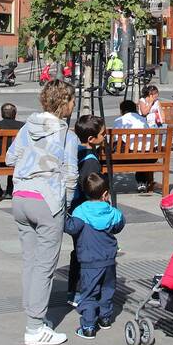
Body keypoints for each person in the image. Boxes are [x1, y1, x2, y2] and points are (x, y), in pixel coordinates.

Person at [6, 80, 79, 345]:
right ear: (64, 103)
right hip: (48, 201)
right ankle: (35, 328)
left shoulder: (27, 128)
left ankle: (33, 316)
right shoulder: (67, 136)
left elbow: (10, 158)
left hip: (21, 197)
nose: (74, 105)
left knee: (30, 261)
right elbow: (71, 175)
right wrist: (66, 205)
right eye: (72, 100)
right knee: (44, 267)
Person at [63, 173, 125, 339]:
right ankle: (105, 318)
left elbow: (71, 228)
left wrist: (63, 216)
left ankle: (89, 326)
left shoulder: (81, 211)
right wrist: (112, 210)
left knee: (89, 293)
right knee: (107, 291)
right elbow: (119, 225)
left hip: (89, 262)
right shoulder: (112, 212)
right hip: (109, 261)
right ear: (105, 195)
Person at [66, 115, 108, 305]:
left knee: (78, 251)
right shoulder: (91, 161)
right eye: (102, 134)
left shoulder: (77, 151)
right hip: (87, 211)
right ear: (91, 139)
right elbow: (91, 188)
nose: (105, 137)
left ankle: (72, 290)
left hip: (76, 209)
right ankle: (81, 292)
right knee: (86, 253)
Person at [0, 103, 24, 200]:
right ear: (15, 114)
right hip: (17, 161)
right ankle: (10, 190)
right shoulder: (22, 126)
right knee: (15, 159)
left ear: (1, 114)